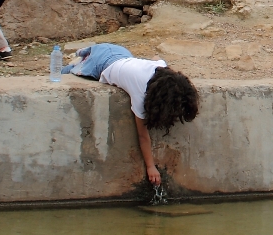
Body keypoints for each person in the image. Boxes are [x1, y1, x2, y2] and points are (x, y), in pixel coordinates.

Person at [69, 44, 201, 186]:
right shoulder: (140, 95)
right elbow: (143, 136)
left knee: (90, 51)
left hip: (122, 53)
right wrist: (150, 167)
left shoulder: (161, 69)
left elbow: (157, 58)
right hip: (102, 64)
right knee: (68, 70)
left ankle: (85, 51)